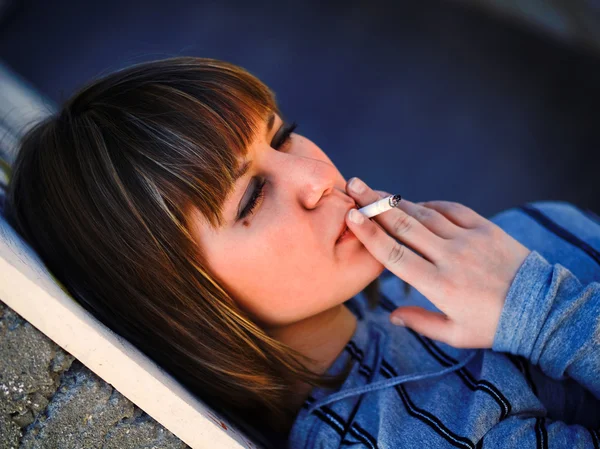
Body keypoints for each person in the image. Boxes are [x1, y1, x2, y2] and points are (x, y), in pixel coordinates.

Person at [4, 56, 599, 448]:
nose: (314, 177)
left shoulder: (498, 250)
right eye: (252, 197)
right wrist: (546, 315)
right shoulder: (380, 436)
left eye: (283, 136)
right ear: (176, 303)